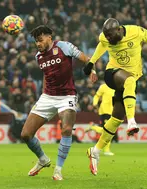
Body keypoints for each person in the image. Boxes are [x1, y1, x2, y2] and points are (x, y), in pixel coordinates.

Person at [84, 18, 147, 175]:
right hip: (113, 74)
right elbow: (101, 45)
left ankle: (95, 151)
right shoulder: (105, 37)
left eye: (110, 35)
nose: (108, 38)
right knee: (130, 80)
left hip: (129, 81)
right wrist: (91, 63)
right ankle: (131, 121)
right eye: (106, 36)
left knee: (116, 119)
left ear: (118, 30)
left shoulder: (136, 32)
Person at [21, 25, 97, 180]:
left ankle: (58, 170)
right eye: (36, 41)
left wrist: (92, 70)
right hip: (47, 97)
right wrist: (43, 93)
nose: (38, 44)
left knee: (67, 129)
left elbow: (85, 58)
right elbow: (46, 74)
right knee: (25, 134)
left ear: (49, 37)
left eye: (40, 40)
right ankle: (43, 159)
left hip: (67, 97)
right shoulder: (38, 57)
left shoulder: (63, 47)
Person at [85, 83, 116, 155]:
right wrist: (95, 103)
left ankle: (93, 127)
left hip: (112, 111)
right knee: (109, 131)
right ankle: (107, 150)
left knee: (105, 131)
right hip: (105, 111)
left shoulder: (116, 86)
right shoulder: (104, 86)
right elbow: (97, 95)